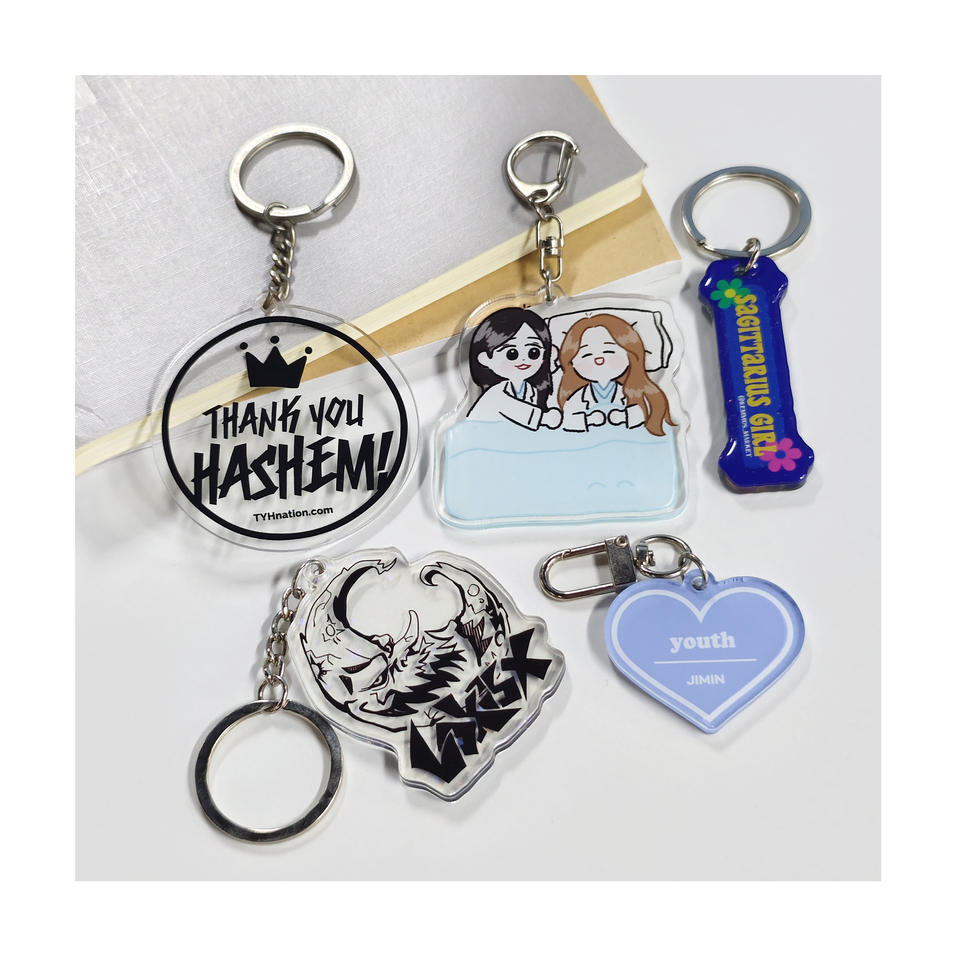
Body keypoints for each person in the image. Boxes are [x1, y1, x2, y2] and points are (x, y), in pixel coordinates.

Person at [557, 314, 675, 434]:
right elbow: (569, 421)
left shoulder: (634, 392)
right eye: (586, 355)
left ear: (629, 354)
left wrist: (624, 416)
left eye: (609, 351)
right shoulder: (578, 397)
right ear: (572, 362)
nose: (599, 360)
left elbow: (643, 414)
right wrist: (588, 420)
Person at [465, 307, 561, 429]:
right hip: (478, 435)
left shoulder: (530, 390)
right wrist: (545, 418)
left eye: (533, 352)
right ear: (485, 358)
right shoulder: (495, 394)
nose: (524, 360)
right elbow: (514, 409)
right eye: (512, 354)